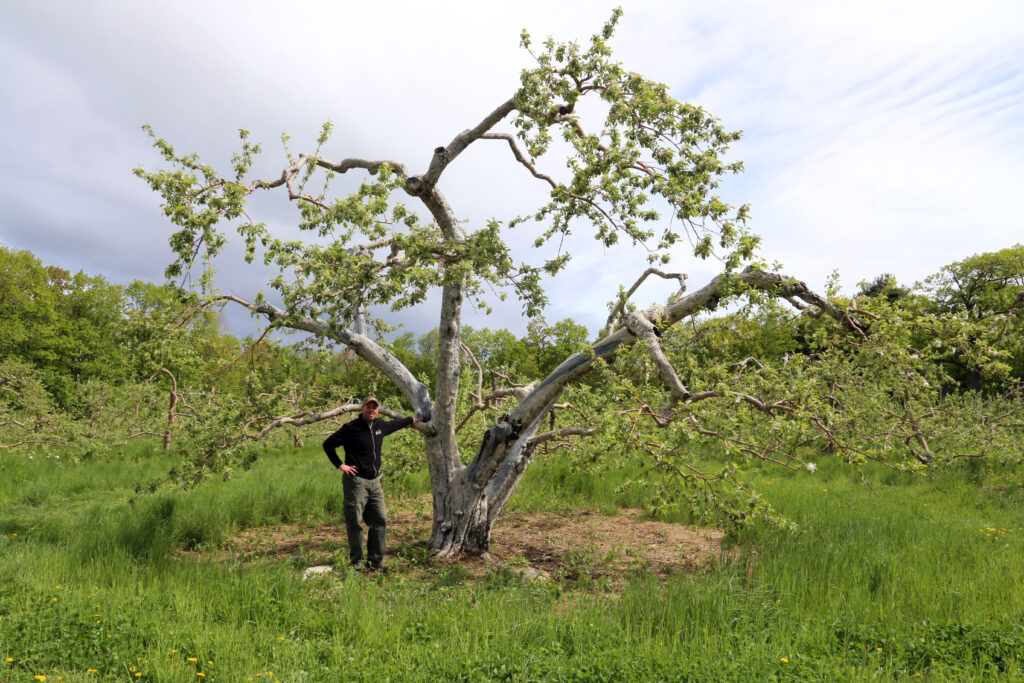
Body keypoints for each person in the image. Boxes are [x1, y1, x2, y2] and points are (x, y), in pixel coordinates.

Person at [322, 396, 416, 571]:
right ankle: (357, 562)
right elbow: (328, 445)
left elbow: (396, 425)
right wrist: (341, 465)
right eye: (368, 407)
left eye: (374, 408)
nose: (371, 410)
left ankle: (375, 561)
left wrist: (411, 420)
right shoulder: (350, 428)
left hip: (375, 482)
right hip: (356, 482)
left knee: (379, 521)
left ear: (378, 410)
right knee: (355, 522)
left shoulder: (380, 426)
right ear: (362, 409)